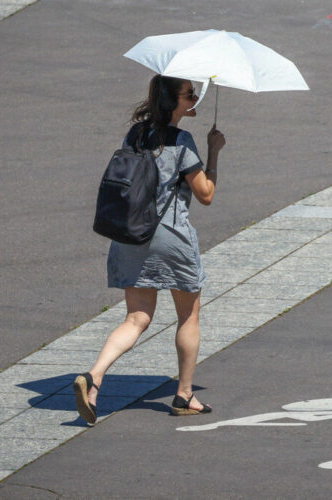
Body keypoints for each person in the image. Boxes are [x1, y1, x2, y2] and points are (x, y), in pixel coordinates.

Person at [74, 75, 225, 424]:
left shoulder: (135, 134)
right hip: (170, 236)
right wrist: (214, 152)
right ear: (174, 101)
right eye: (190, 94)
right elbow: (206, 194)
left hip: (131, 234)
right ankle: (184, 396)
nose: (196, 98)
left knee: (136, 318)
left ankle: (94, 378)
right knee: (188, 315)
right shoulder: (183, 141)